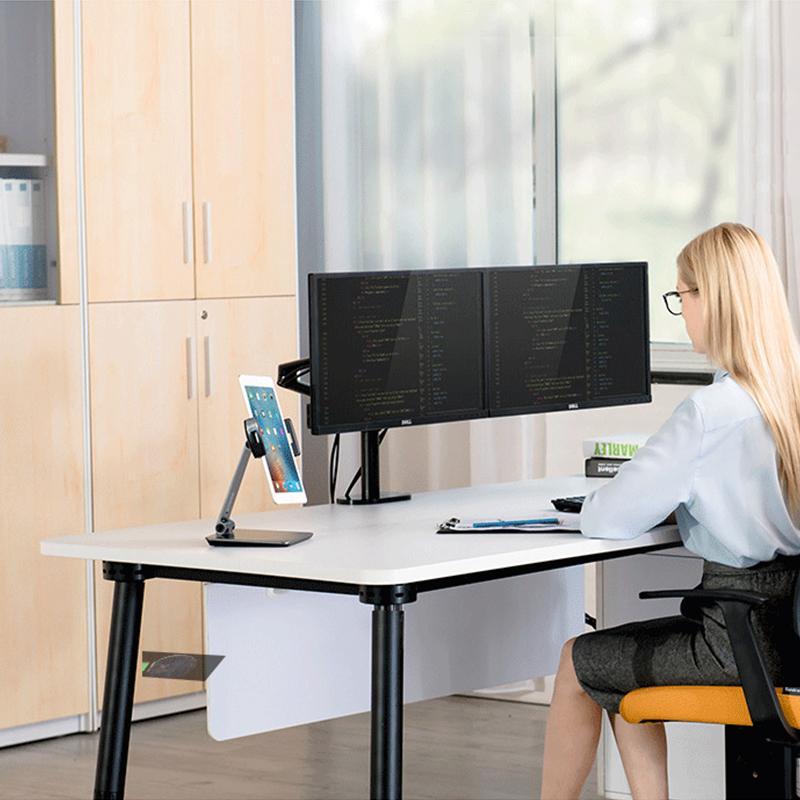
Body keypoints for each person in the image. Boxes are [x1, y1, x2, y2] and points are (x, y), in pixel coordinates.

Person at [540, 222, 800, 800]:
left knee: (579, 662)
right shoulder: (790, 392)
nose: (680, 310)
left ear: (714, 300)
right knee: (618, 676)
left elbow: (608, 519)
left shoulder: (710, 413)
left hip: (736, 642)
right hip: (792, 635)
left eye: (682, 295)